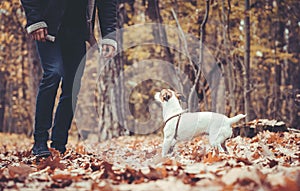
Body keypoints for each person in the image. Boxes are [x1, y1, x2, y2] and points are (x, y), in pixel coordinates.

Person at [21, 0, 117, 157]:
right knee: (53, 73)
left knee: (72, 87)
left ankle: (59, 145)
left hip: (77, 30)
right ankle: (40, 142)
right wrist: (35, 20)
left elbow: (107, 4)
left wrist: (109, 36)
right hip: (48, 26)